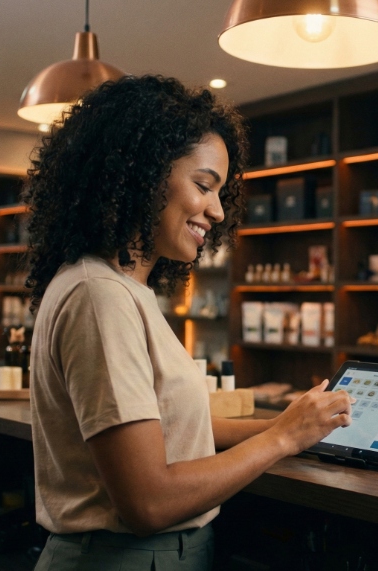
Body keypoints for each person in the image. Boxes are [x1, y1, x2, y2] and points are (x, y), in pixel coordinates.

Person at [23, 75, 353, 570]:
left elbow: (167, 428)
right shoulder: (100, 297)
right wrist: (280, 440)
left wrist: (290, 426)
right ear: (142, 174)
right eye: (203, 186)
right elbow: (148, 502)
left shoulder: (114, 289)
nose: (218, 211)